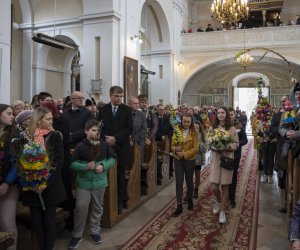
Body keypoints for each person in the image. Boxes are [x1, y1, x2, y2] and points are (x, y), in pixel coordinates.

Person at [21, 107, 66, 250]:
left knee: (49, 221)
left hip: (50, 186)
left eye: (52, 118)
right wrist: (32, 181)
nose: (51, 121)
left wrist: (44, 182)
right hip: (32, 187)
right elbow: (21, 161)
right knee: (37, 222)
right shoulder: (27, 136)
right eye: (48, 119)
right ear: (38, 121)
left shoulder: (55, 136)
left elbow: (58, 162)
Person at [68, 119, 116, 249]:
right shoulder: (80, 146)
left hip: (100, 182)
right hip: (84, 183)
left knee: (97, 208)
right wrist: (85, 167)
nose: (96, 133)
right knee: (81, 208)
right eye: (93, 130)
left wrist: (103, 165)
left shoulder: (104, 144)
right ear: (86, 131)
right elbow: (72, 163)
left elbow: (112, 158)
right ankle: (77, 235)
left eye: (97, 130)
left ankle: (94, 231)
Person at [97, 86, 133, 214]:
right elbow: (99, 127)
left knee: (120, 176)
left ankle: (120, 202)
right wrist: (106, 138)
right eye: (116, 96)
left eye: (121, 96)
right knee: (107, 175)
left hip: (121, 147)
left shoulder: (127, 110)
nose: (119, 98)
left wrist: (116, 138)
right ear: (110, 96)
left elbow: (129, 128)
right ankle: (107, 203)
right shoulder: (103, 109)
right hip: (107, 148)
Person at [209, 106, 239, 223]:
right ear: (217, 115)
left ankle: (222, 212)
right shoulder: (213, 127)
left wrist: (227, 146)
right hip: (216, 159)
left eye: (223, 112)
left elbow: (236, 144)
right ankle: (221, 203)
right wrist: (214, 145)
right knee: (214, 186)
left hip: (227, 159)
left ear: (226, 114)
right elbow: (209, 142)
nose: (221, 114)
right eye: (219, 113)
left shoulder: (231, 129)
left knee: (225, 186)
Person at [171, 113, 199, 217]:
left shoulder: (194, 133)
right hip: (178, 159)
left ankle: (190, 199)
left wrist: (184, 154)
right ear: (181, 121)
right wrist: (175, 149)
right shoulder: (176, 130)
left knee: (189, 181)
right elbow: (172, 145)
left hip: (189, 160)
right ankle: (179, 206)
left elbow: (196, 148)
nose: (186, 124)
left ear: (191, 122)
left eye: (188, 122)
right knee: (179, 182)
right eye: (184, 121)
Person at [0, 104, 18, 250]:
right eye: (9, 113)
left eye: (13, 113)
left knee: (7, 223)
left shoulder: (15, 134)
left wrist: (6, 183)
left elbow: (18, 162)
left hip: (9, 184)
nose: (12, 116)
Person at [228, 107, 248, 207]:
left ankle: (232, 197)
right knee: (224, 175)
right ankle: (225, 195)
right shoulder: (222, 126)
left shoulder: (239, 126)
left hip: (235, 154)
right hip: (224, 154)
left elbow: (245, 140)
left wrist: (236, 144)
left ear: (235, 115)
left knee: (233, 175)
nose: (230, 116)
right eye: (228, 114)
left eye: (231, 114)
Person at [193, 120, 207, 199]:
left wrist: (199, 142)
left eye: (197, 128)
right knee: (188, 176)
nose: (195, 129)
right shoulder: (189, 136)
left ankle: (196, 190)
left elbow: (204, 150)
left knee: (197, 175)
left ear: (199, 129)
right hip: (189, 159)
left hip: (198, 159)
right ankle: (189, 191)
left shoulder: (202, 137)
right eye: (194, 128)